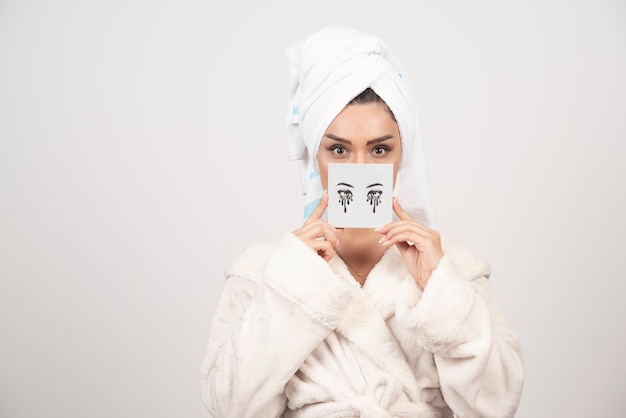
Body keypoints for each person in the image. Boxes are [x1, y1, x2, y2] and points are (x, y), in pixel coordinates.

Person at [200, 25, 524, 418]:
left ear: (402, 156)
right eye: (338, 149)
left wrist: (440, 288)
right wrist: (293, 285)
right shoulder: (265, 273)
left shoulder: (452, 269)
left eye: (379, 149)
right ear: (314, 158)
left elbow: (497, 406)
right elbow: (229, 409)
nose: (358, 168)